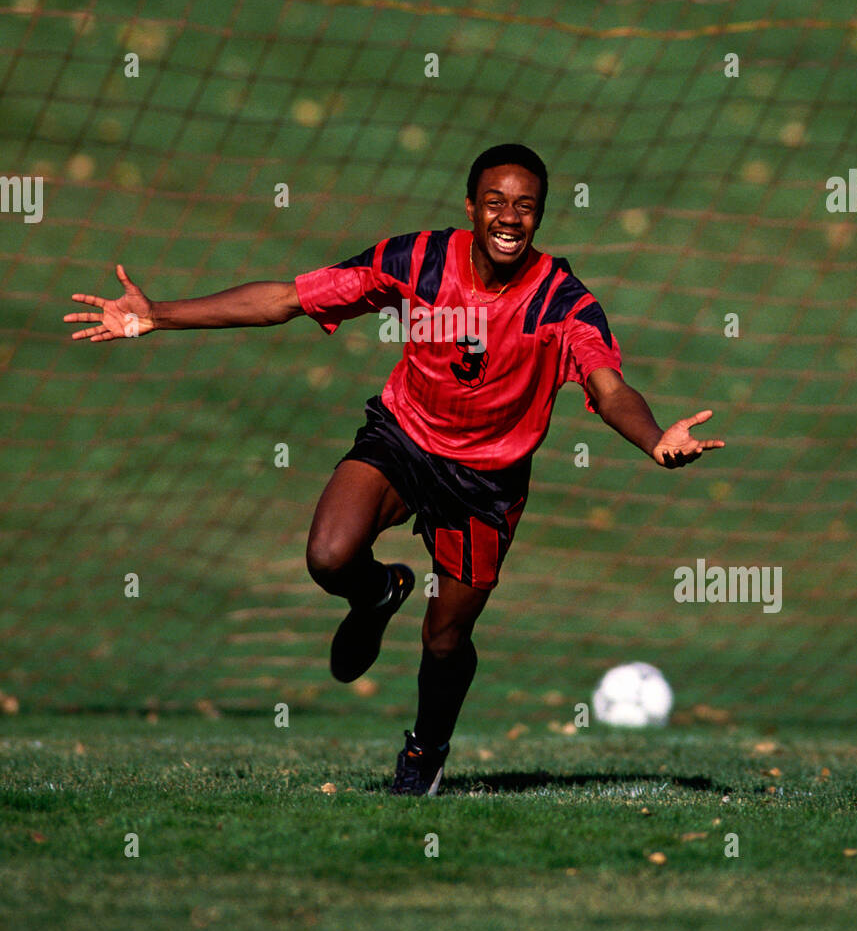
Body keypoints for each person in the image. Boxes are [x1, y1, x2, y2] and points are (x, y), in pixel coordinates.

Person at [64, 143, 724, 795]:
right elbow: (286, 300)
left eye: (526, 206)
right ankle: (378, 593)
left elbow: (609, 389)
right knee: (328, 554)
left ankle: (427, 749)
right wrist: (156, 315)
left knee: (445, 639)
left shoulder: (563, 303)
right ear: (471, 206)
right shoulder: (415, 261)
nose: (509, 217)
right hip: (403, 440)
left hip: (486, 483)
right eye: (495, 201)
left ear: (541, 217)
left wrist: (653, 439)